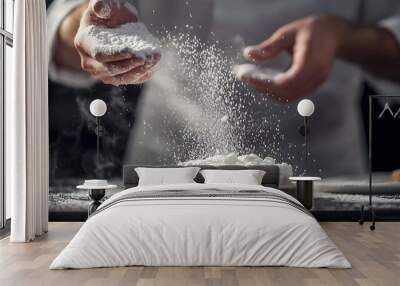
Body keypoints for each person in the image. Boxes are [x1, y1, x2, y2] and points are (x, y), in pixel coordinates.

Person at [47, 0, 400, 177]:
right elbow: (64, 26)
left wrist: (346, 38)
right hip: (166, 163)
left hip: (317, 166)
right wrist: (89, 24)